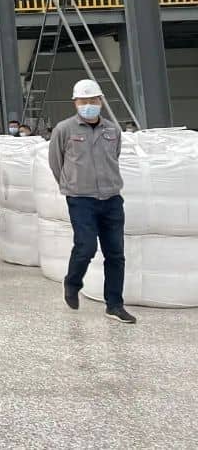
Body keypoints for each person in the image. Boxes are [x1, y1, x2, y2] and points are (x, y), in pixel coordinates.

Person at [49, 80, 135, 324]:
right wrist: (71, 185)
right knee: (86, 246)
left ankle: (114, 305)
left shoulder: (113, 130)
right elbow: (56, 162)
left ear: (101, 101)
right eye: (83, 101)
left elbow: (114, 156)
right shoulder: (64, 129)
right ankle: (72, 282)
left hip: (112, 199)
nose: (89, 104)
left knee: (115, 254)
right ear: (75, 103)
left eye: (93, 100)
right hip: (81, 199)